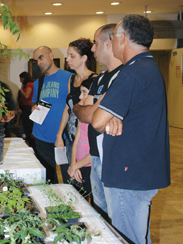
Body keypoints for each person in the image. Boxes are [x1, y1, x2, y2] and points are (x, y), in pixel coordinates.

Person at [91, 14, 171, 244]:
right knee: (137, 235)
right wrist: (111, 118)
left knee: (128, 237)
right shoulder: (148, 67)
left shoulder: (132, 73)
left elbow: (97, 120)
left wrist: (106, 117)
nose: (111, 43)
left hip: (129, 175)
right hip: (140, 171)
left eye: (113, 37)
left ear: (123, 38)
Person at [73, 24, 123, 219]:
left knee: (116, 216)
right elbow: (83, 112)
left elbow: (91, 112)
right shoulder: (100, 78)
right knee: (100, 212)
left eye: (95, 43)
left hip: (112, 158)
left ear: (109, 44)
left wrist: (90, 110)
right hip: (95, 155)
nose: (92, 48)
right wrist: (86, 109)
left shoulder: (123, 76)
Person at [55, 39, 96, 184]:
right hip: (71, 138)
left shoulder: (94, 80)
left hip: (86, 138)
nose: (67, 59)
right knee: (70, 180)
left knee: (85, 182)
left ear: (84, 58)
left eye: (72, 56)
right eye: (68, 55)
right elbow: (67, 108)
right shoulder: (71, 79)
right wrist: (59, 135)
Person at [31, 46, 72, 184]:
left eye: (41, 57)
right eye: (36, 60)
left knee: (69, 176)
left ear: (51, 55)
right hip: (41, 135)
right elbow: (34, 103)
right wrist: (33, 108)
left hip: (63, 136)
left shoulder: (69, 78)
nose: (39, 62)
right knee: (48, 178)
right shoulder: (38, 82)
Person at [67, 77, 93, 198]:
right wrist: (73, 164)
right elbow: (76, 143)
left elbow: (96, 153)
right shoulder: (82, 118)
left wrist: (75, 166)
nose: (80, 97)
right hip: (78, 167)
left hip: (90, 167)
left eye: (84, 93)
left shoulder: (97, 121)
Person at [18, 71, 34, 145]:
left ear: (23, 78)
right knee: (26, 124)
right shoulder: (26, 85)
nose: (20, 80)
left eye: (21, 78)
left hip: (28, 107)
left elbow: (27, 95)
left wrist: (21, 91)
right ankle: (29, 140)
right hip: (25, 107)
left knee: (28, 125)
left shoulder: (29, 84)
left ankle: (30, 141)